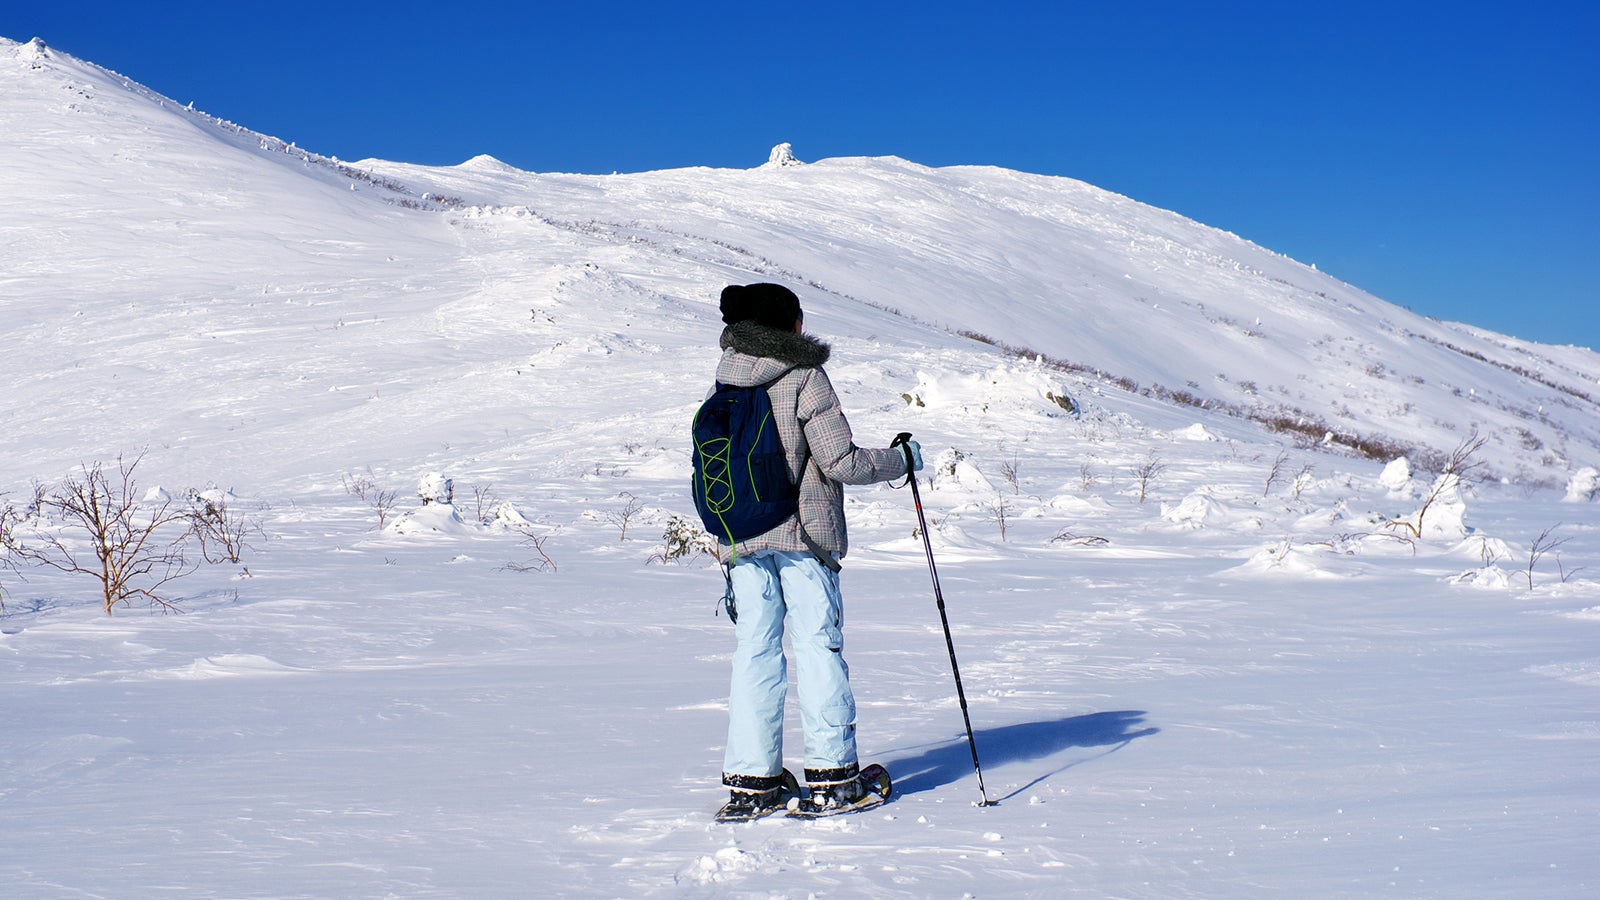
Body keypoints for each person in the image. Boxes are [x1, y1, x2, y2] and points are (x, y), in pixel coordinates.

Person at [709, 282, 923, 819]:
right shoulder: (805, 376)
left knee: (755, 652)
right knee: (816, 647)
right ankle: (833, 779)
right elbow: (841, 463)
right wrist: (903, 460)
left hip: (742, 540)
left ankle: (753, 784)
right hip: (803, 539)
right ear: (790, 325)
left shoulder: (725, 380)